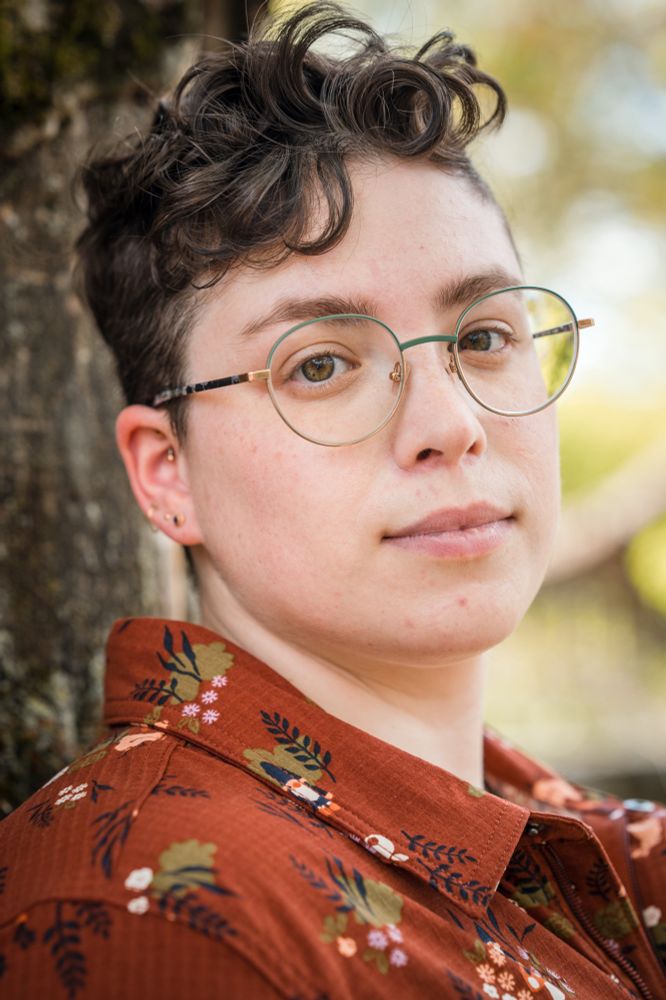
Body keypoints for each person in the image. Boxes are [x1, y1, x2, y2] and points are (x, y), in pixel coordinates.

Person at [0, 4, 664, 997]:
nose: (452, 423)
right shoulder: (155, 918)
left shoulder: (594, 855)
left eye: (483, 336)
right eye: (320, 364)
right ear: (167, 472)